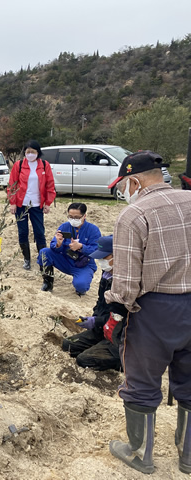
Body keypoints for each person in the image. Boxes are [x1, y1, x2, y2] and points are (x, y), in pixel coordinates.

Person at [103, 151, 191, 475]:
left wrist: (114, 315)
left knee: (141, 383)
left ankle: (141, 453)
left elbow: (126, 283)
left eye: (123, 185)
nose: (123, 191)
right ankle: (187, 454)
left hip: (156, 309)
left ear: (135, 181)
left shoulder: (134, 215)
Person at [61, 235, 121, 371]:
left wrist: (96, 321)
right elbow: (101, 303)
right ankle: (99, 342)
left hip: (118, 336)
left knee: (84, 359)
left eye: (104, 258)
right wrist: (93, 320)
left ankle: (122, 362)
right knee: (68, 345)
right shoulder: (106, 275)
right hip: (102, 329)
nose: (100, 261)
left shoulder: (124, 282)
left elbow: (119, 316)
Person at [7, 140, 56, 270]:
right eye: (27, 151)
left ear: (38, 152)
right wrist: (12, 202)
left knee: (39, 232)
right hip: (21, 204)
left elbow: (50, 185)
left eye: (32, 152)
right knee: (23, 232)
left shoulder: (45, 166)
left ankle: (42, 259)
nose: (30, 154)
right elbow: (12, 184)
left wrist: (48, 203)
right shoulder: (19, 165)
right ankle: (27, 259)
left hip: (37, 205)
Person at [37, 203, 101, 295]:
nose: (73, 220)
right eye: (70, 217)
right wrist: (58, 244)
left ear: (84, 216)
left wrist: (81, 247)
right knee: (44, 252)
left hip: (83, 264)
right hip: (65, 260)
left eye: (77, 217)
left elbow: (96, 251)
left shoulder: (93, 230)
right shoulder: (64, 226)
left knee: (81, 287)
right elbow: (53, 245)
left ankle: (80, 285)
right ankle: (48, 282)